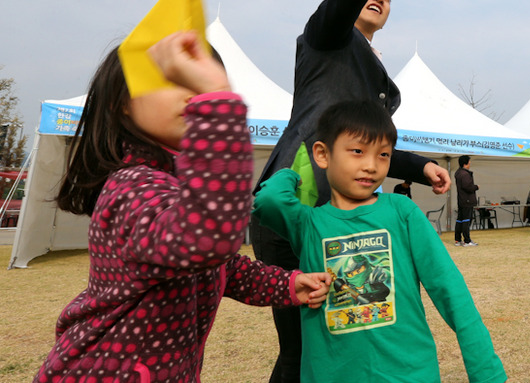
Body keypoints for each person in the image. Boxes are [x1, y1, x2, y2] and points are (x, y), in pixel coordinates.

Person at [250, 0, 453, 383]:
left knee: (340, 336)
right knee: (300, 350)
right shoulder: (326, 37)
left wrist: (415, 165)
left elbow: (365, 144)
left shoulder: (377, 77)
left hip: (344, 213)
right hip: (297, 203)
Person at [35, 32, 330, 383]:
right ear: (121, 101)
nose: (195, 95)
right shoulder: (132, 187)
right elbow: (207, 239)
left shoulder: (174, 185)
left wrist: (286, 285)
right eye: (174, 81)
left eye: (201, 85)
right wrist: (220, 105)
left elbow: (225, 266)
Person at [253, 101, 506, 383]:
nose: (371, 166)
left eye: (383, 155)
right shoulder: (309, 224)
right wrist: (293, 172)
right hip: (331, 374)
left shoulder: (402, 212)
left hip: (409, 374)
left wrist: (486, 372)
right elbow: (268, 200)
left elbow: (450, 289)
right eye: (357, 151)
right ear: (323, 154)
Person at [455, 155, 481, 245]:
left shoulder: (458, 173)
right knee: (466, 220)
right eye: (469, 162)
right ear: (465, 163)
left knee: (460, 220)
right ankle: (467, 241)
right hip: (467, 200)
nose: (470, 164)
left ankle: (457, 240)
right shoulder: (465, 174)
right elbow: (468, 187)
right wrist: (476, 187)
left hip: (461, 200)